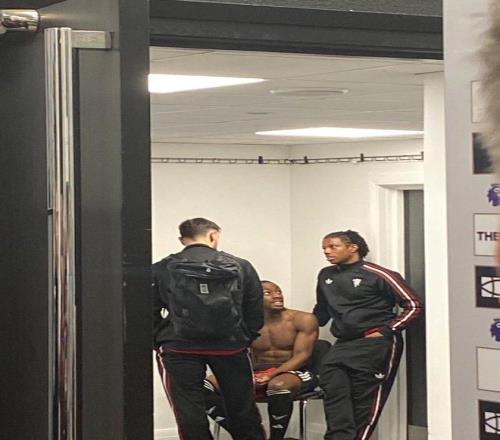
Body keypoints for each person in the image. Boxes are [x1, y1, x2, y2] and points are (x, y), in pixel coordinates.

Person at [153, 217, 265, 440]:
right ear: (214, 235)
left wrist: (159, 340)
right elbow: (254, 309)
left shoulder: (162, 267)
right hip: (230, 346)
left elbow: (147, 309)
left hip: (179, 347)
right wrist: (244, 337)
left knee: (188, 411)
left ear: (182, 240)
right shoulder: (240, 265)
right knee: (242, 407)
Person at [313, 230, 423, 440]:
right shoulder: (325, 275)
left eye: (333, 246)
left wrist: (387, 330)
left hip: (375, 345)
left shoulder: (378, 274)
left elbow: (414, 305)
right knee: (334, 393)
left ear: (353, 247)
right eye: (324, 248)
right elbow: (321, 312)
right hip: (343, 344)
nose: (327, 252)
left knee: (365, 403)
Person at [205, 280, 319, 440]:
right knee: (203, 386)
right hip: (257, 371)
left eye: (278, 291)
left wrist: (272, 374)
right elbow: (236, 353)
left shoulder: (303, 319)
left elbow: (303, 355)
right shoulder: (244, 323)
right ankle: (247, 434)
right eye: (268, 293)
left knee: (278, 385)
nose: (277, 296)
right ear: (254, 297)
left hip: (295, 372)